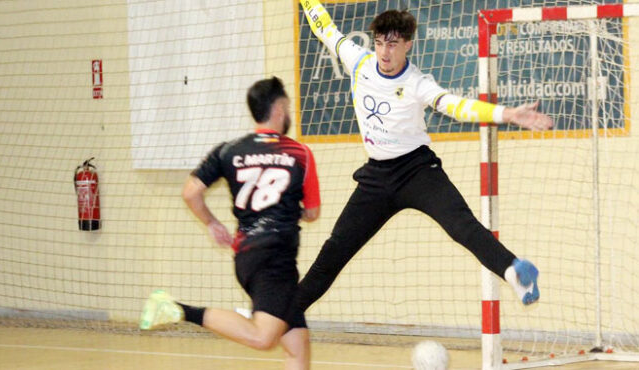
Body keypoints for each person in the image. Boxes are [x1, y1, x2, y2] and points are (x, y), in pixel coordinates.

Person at [294, 0, 552, 314]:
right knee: (334, 251)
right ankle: (284, 312)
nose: (384, 53)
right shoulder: (359, 62)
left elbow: (456, 106)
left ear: (407, 45)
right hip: (376, 177)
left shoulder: (417, 83)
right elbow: (326, 29)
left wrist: (507, 114)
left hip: (417, 171)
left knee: (462, 226)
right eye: (378, 43)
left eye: (392, 44)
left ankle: (515, 272)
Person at [140, 76, 321, 370]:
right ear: (279, 108)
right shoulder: (300, 153)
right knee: (263, 337)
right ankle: (178, 310)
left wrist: (212, 223)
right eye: (287, 107)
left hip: (248, 255)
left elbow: (190, 192)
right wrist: (292, 212)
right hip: (276, 259)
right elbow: (313, 213)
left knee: (297, 344)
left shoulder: (229, 150)